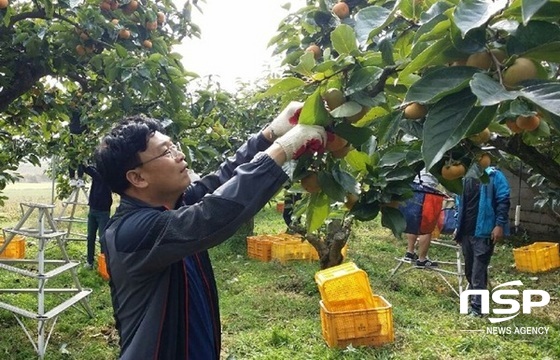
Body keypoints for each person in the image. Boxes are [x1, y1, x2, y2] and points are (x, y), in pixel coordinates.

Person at [94, 102, 325, 359]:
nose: (179, 155)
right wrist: (283, 149)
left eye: (174, 146)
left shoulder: (172, 205)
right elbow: (211, 215)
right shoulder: (131, 233)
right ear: (137, 178)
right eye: (165, 152)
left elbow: (220, 181)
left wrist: (268, 134)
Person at [454, 166, 510, 317]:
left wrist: (499, 225)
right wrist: (457, 226)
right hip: (466, 232)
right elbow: (458, 203)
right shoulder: (464, 177)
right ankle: (476, 302)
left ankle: (478, 309)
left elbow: (503, 200)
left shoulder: (494, 176)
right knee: (470, 270)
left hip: (484, 233)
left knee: (478, 272)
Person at [402, 168, 444, 268]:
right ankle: (422, 259)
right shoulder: (439, 155)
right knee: (427, 226)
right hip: (428, 190)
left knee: (413, 220)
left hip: (414, 186)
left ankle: (410, 252)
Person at [83, 165, 113, 269]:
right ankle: (90, 262)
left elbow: (92, 171)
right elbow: (88, 169)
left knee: (102, 238)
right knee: (90, 237)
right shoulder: (97, 173)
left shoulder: (107, 175)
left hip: (103, 212)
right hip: (93, 210)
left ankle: (104, 264)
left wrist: (84, 162)